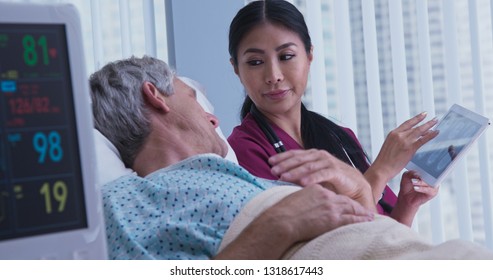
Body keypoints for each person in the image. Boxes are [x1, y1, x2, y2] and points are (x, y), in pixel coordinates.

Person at [90, 56, 493, 260]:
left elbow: (364, 234)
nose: (211, 115)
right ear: (154, 96)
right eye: (193, 98)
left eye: (288, 56)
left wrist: (360, 195)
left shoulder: (325, 139)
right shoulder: (127, 199)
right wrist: (278, 225)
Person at [227, 0, 438, 226]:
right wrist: (380, 172)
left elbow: (385, 239)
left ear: (309, 56)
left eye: (286, 56)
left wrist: (407, 205)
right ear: (236, 69)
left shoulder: (339, 135)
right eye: (256, 62)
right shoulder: (243, 151)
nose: (273, 75)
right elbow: (326, 245)